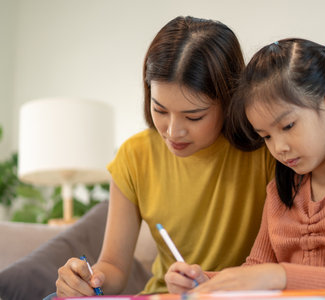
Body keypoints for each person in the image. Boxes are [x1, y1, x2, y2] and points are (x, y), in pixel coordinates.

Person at [164, 38, 325, 300]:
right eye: (266, 136)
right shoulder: (280, 194)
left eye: (288, 126)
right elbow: (255, 270)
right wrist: (205, 281)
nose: (278, 147)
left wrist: (277, 276)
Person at [51, 16, 275, 298]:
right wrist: (88, 282)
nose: (172, 131)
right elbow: (114, 267)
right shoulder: (135, 155)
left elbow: (278, 263)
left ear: (229, 100)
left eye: (194, 116)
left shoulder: (267, 151)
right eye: (160, 109)